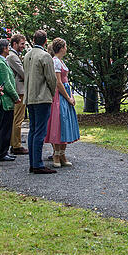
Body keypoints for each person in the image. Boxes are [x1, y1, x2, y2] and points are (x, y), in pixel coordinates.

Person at [23, 30, 58, 174]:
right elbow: (51, 78)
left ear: (33, 39)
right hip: (42, 97)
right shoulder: (45, 56)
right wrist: (51, 92)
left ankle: (33, 162)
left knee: (33, 130)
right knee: (40, 131)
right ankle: (37, 164)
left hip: (30, 97)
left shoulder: (27, 55)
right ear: (45, 41)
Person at [46, 37, 81, 167]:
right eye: (65, 47)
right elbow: (58, 83)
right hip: (58, 97)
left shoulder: (60, 61)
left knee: (64, 124)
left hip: (65, 94)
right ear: (61, 48)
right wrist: (67, 97)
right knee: (58, 123)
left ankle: (62, 154)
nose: (67, 49)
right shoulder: (55, 61)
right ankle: (56, 154)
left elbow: (65, 82)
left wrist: (71, 95)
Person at [0, 39, 21, 162]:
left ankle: (4, 151)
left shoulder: (1, 62)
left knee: (6, 127)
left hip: (5, 99)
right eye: (8, 47)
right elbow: (7, 83)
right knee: (5, 127)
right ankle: (2, 153)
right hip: (5, 100)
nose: (9, 49)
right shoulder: (1, 63)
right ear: (4, 48)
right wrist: (16, 97)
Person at [6, 34, 28, 155]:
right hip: (19, 90)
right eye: (22, 44)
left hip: (19, 90)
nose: (23, 46)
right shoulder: (13, 57)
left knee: (17, 118)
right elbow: (23, 73)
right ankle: (16, 145)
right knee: (18, 119)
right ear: (14, 44)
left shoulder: (14, 56)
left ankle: (15, 143)